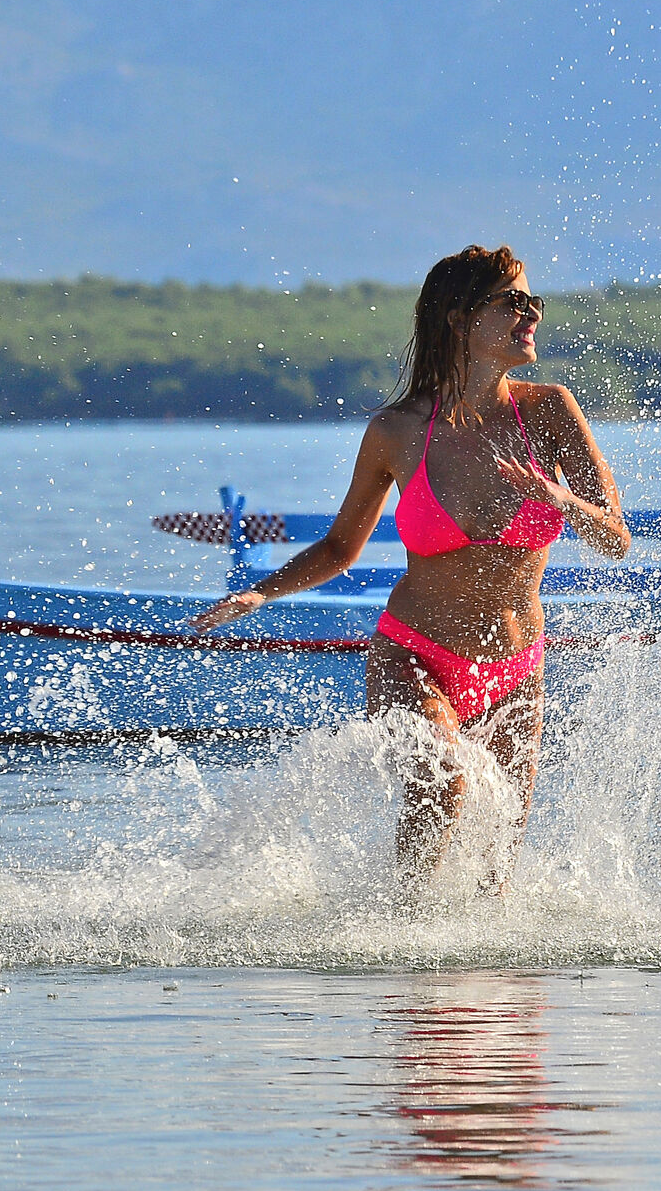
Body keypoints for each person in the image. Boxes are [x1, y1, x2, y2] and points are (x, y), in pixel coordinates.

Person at [189, 246, 628, 883]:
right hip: (415, 655)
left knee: (498, 867)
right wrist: (262, 594)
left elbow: (616, 538)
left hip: (516, 669)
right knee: (445, 783)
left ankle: (484, 980)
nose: (530, 313)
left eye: (532, 301)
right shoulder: (396, 432)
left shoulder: (550, 411)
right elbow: (342, 548)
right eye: (511, 302)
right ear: (458, 318)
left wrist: (558, 498)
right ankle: (401, 953)